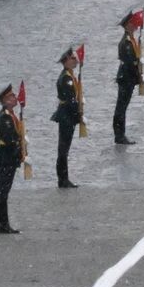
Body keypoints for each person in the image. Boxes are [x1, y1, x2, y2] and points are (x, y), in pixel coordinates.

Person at [0, 86, 24, 234]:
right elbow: (9, 138)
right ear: (4, 101)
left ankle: (3, 223)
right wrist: (19, 144)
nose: (15, 97)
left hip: (9, 156)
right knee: (3, 192)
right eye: (11, 96)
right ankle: (2, 224)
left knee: (4, 191)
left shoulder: (10, 114)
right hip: (6, 157)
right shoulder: (4, 117)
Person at [51, 48, 83, 189]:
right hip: (66, 115)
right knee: (63, 148)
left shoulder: (70, 75)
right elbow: (70, 100)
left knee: (65, 148)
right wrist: (78, 114)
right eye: (73, 58)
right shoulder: (65, 78)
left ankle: (64, 178)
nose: (76, 60)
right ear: (66, 61)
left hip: (68, 114)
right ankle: (63, 179)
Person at [112, 11, 142, 146]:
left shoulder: (130, 40)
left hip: (128, 76)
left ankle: (120, 134)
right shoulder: (126, 43)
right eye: (133, 24)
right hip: (126, 77)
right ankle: (119, 135)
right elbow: (130, 62)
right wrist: (138, 75)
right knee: (121, 107)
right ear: (128, 25)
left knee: (123, 106)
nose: (136, 25)